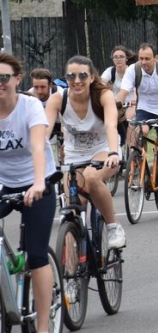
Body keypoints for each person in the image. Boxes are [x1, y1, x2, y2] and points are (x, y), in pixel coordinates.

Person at [0, 53, 57, 333]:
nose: (0, 83)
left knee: (36, 256)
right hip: (5, 185)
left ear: (16, 79)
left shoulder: (31, 106)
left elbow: (37, 146)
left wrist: (37, 183)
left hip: (38, 182)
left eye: (4, 78)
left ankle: (43, 326)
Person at [45, 55, 125, 250]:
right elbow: (43, 133)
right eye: (71, 76)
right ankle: (73, 270)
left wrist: (113, 153)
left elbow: (110, 125)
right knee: (71, 211)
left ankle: (113, 226)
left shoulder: (102, 95)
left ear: (91, 77)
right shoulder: (57, 99)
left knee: (91, 177)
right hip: (73, 157)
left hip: (103, 150)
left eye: (82, 75)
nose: (77, 81)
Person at [116, 43, 158, 212]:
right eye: (141, 58)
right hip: (144, 109)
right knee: (137, 130)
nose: (143, 62)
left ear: (155, 58)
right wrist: (113, 107)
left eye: (147, 59)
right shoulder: (134, 70)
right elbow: (123, 92)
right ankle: (136, 162)